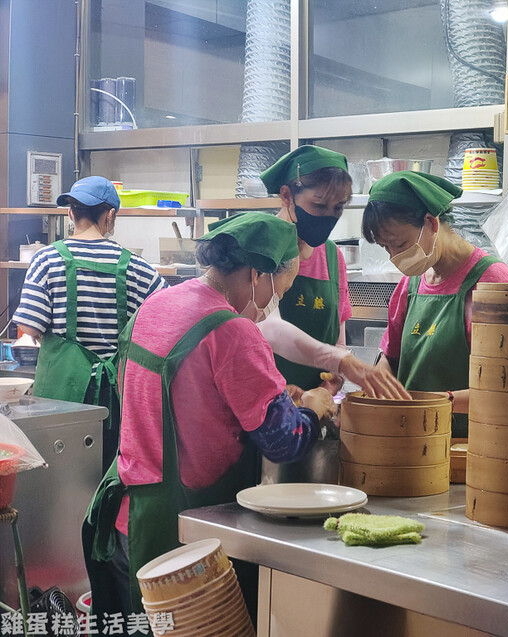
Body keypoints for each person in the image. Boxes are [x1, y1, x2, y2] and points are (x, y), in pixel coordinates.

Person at [82, 212, 335, 618]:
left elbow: (190, 397)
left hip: (128, 515)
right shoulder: (233, 330)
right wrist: (313, 408)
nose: (275, 303)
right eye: (280, 289)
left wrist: (270, 398)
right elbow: (283, 441)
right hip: (182, 533)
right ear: (257, 274)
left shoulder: (159, 303)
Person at [12, 176, 166, 472]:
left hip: (60, 403)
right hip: (120, 400)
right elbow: (168, 322)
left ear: (71, 213)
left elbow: (28, 334)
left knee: (61, 486)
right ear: (110, 216)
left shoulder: (46, 261)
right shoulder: (138, 268)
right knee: (111, 478)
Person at [362, 171, 508, 438]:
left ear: (431, 223)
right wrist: (376, 391)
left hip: (471, 446)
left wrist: (437, 401)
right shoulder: (409, 287)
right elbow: (390, 358)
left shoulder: (492, 284)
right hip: (409, 439)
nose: (394, 257)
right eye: (386, 248)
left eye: (399, 244)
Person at [259, 145, 409, 399]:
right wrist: (342, 362)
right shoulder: (261, 247)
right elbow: (270, 329)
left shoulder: (331, 256)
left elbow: (338, 338)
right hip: (262, 404)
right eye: (319, 205)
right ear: (287, 196)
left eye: (338, 208)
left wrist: (331, 383)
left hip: (311, 410)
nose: (328, 216)